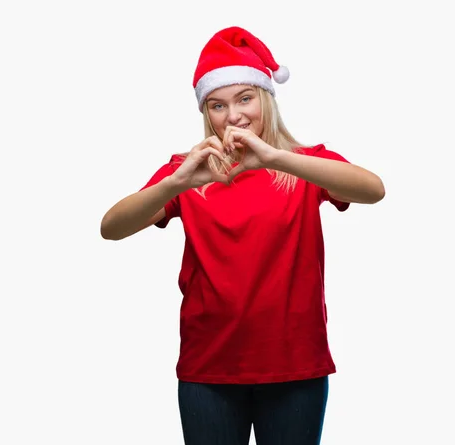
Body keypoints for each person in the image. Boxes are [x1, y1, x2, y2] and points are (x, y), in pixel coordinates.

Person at [100, 26, 385, 445]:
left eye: (245, 99)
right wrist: (174, 183)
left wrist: (275, 157)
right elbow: (112, 228)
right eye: (217, 105)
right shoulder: (189, 172)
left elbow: (373, 190)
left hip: (295, 367)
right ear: (206, 113)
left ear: (266, 100)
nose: (232, 116)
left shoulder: (303, 166)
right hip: (209, 370)